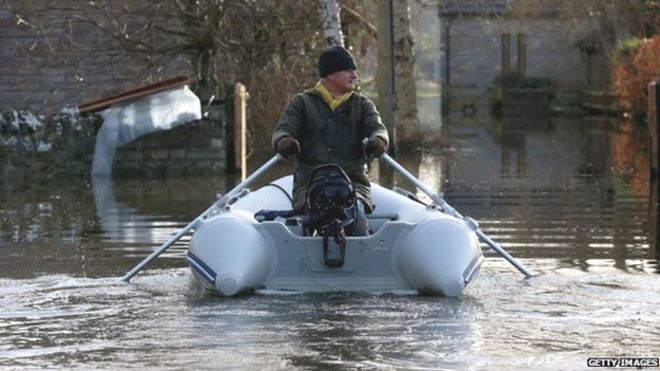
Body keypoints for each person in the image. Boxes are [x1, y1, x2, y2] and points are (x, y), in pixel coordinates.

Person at [271, 45, 389, 236]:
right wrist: (284, 141)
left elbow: (378, 128)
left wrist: (378, 140)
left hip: (354, 185)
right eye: (348, 70)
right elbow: (282, 130)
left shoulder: (362, 105)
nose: (354, 75)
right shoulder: (302, 103)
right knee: (314, 215)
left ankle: (360, 247)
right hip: (310, 185)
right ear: (330, 74)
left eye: (354, 71)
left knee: (355, 214)